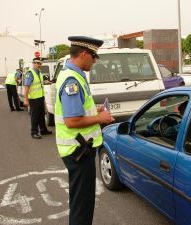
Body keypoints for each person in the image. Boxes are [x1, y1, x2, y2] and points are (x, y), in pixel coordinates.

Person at [55, 36, 114, 225]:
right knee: (83, 205)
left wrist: (93, 111)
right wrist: (100, 118)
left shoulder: (73, 74)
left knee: (81, 200)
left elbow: (76, 111)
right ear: (83, 54)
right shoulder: (72, 80)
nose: (94, 61)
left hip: (80, 149)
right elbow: (71, 120)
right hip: (79, 151)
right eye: (93, 56)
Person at [23, 58, 52, 139]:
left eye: (40, 63)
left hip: (40, 97)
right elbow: (26, 87)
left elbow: (38, 83)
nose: (40, 65)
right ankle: (34, 132)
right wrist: (25, 99)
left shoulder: (39, 72)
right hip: (33, 98)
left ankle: (43, 130)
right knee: (35, 116)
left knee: (41, 115)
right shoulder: (30, 73)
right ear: (34, 63)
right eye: (38, 63)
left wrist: (46, 82)